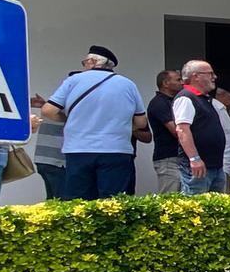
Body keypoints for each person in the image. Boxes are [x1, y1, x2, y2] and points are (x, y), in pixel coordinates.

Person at [40, 46, 150, 199]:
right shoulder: (128, 84)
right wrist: (123, 126)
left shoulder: (73, 80)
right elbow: (141, 121)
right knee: (113, 202)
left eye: (85, 62)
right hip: (116, 150)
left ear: (92, 61)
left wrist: (68, 119)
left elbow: (47, 111)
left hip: (78, 149)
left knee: (79, 201)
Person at [171, 59, 227, 194]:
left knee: (217, 205)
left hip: (215, 166)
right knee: (195, 204)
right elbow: (182, 130)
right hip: (198, 167)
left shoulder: (204, 99)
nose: (214, 77)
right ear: (195, 76)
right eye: (210, 74)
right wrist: (194, 158)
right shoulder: (186, 98)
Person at [147, 70, 185, 193]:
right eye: (178, 80)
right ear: (166, 83)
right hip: (169, 158)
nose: (182, 83)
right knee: (170, 196)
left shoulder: (175, 101)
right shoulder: (159, 103)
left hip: (179, 157)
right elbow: (176, 130)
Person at [29, 93, 66, 200]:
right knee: (62, 201)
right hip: (57, 161)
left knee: (52, 199)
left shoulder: (50, 109)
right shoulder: (69, 111)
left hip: (43, 159)